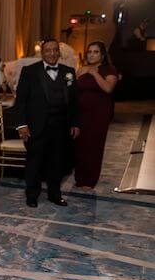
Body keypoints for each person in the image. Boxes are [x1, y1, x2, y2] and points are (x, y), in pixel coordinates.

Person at [15, 38, 80, 208]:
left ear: (59, 52)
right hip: (36, 125)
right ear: (42, 53)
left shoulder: (69, 72)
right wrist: (22, 125)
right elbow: (21, 101)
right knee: (34, 162)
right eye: (48, 50)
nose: (52, 53)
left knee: (56, 162)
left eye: (55, 50)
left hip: (61, 125)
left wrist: (75, 122)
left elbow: (73, 101)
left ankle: (54, 194)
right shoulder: (29, 71)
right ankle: (32, 195)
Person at [74, 41, 118, 190]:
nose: (91, 55)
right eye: (89, 52)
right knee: (80, 145)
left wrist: (94, 73)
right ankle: (79, 178)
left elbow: (108, 88)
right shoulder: (81, 69)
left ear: (102, 54)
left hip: (99, 114)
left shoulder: (109, 69)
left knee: (94, 146)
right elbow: (74, 89)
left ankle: (90, 180)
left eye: (96, 52)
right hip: (81, 113)